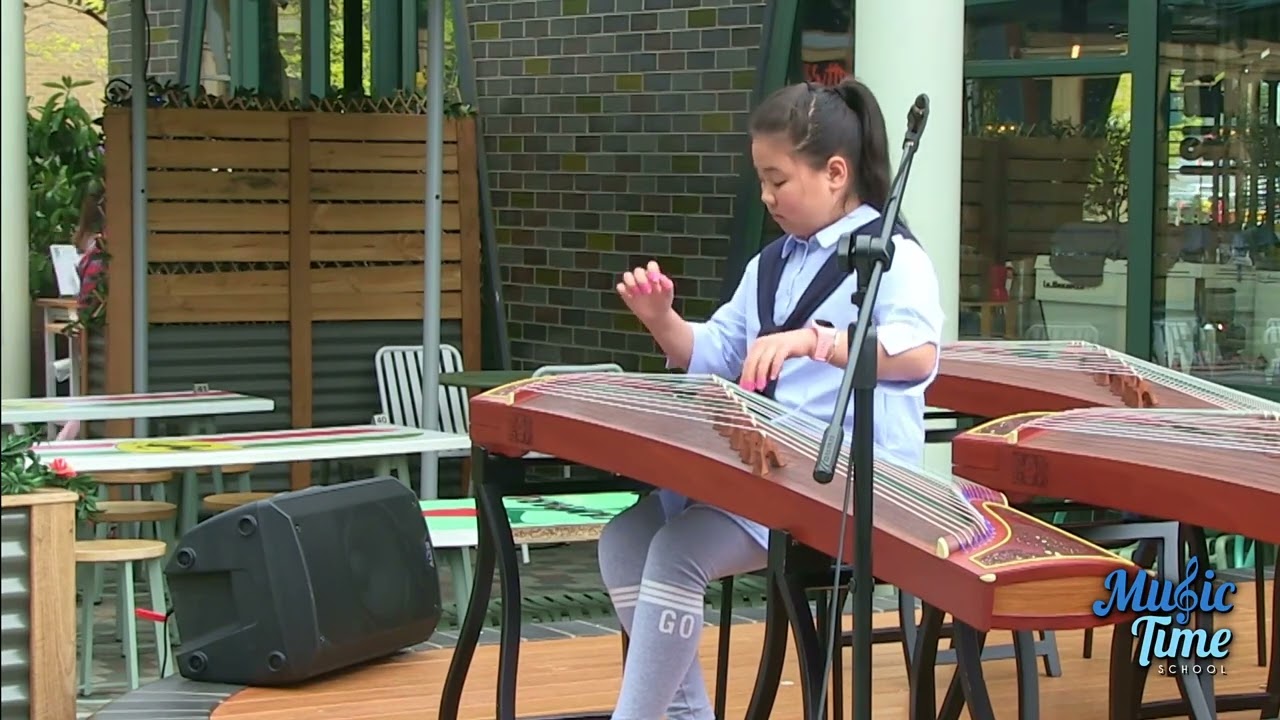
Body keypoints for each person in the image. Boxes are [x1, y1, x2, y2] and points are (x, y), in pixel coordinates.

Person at [598, 77, 944, 720]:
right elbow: (719, 352)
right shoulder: (772, 263)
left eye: (777, 179)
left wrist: (816, 342)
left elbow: (919, 354)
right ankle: (684, 714)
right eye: (762, 179)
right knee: (625, 538)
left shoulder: (892, 255)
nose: (766, 196)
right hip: (759, 471)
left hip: (841, 485)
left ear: (835, 172)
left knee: (677, 550)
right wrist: (662, 320)